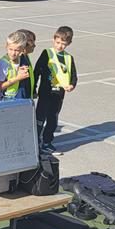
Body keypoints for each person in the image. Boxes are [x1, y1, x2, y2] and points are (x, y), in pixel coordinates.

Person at [34, 26, 78, 156]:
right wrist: (34, 88)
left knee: (53, 118)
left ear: (68, 43)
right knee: (39, 118)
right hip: (46, 92)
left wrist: (72, 85)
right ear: (54, 40)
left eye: (63, 44)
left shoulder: (68, 58)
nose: (60, 46)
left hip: (58, 94)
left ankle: (47, 142)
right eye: (58, 42)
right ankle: (35, 141)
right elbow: (37, 71)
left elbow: (73, 75)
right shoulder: (47, 53)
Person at [0, 30, 32, 100]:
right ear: (6, 46)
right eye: (10, 49)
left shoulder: (22, 59)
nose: (13, 53)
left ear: (22, 49)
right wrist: (17, 78)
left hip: (19, 96)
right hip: (6, 98)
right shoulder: (4, 63)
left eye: (17, 50)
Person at [18, 29, 38, 100]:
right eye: (31, 41)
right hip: (21, 99)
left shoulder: (26, 56)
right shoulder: (20, 60)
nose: (34, 45)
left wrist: (33, 91)